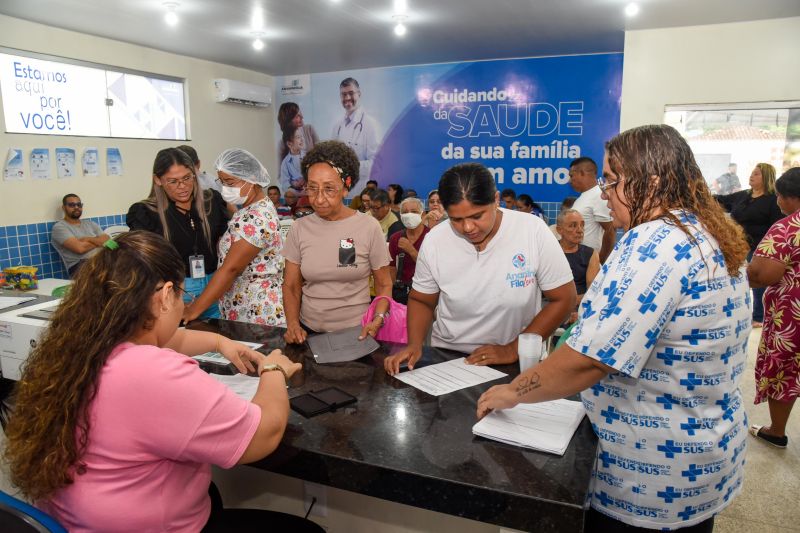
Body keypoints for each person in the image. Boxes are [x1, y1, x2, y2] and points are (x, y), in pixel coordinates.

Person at [477, 124, 751, 532]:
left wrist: (513, 391)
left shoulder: (652, 242)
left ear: (651, 182)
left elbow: (588, 360)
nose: (604, 192)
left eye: (612, 180)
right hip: (702, 455)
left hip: (647, 476)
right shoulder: (706, 232)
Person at [1, 231, 317, 532]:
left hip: (78, 519)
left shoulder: (79, 346)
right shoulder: (153, 373)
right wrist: (273, 370)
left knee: (212, 493)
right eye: (182, 295)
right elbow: (262, 436)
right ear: (165, 295)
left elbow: (163, 337)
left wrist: (218, 343)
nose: (182, 305)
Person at [384, 163, 575, 374]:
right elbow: (422, 299)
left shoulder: (532, 230)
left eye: (477, 216)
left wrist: (514, 348)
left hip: (514, 360)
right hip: (448, 357)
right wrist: (414, 344)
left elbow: (564, 299)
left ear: (496, 199)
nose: (467, 228)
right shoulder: (436, 240)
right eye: (456, 219)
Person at [282, 140, 392, 343]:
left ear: (346, 187)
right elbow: (290, 285)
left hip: (357, 332)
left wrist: (378, 317)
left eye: (329, 189)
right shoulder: (299, 228)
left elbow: (384, 283)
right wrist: (293, 324)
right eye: (312, 188)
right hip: (309, 332)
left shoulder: (368, 227)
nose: (319, 198)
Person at [183, 149, 285, 326]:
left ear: (252, 179)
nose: (225, 188)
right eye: (221, 182)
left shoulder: (256, 217)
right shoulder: (251, 209)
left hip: (256, 310)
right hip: (243, 305)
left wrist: (194, 309)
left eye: (230, 182)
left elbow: (231, 269)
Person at [127, 147, 229, 319]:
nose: (182, 187)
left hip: (215, 286)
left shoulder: (211, 202)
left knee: (220, 339)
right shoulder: (146, 212)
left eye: (187, 178)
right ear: (158, 180)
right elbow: (145, 263)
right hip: (175, 290)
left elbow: (223, 245)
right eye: (173, 181)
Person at [747, 167, 800, 448]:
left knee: (785, 370)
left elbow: (762, 275)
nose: (778, 202)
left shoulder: (788, 227)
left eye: (779, 196)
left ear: (790, 198)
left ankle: (776, 431)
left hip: (792, 317)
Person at [716, 162, 783, 327]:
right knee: (735, 278)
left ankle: (758, 317)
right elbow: (722, 200)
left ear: (766, 177)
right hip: (738, 247)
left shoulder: (772, 200)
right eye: (752, 173)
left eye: (756, 174)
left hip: (759, 248)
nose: (752, 176)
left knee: (757, 283)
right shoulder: (743, 195)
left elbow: (776, 226)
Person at [331, 78, 380, 185]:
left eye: (351, 93)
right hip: (341, 188)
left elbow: (377, 164)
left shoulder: (370, 124)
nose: (347, 98)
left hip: (361, 191)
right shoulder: (337, 126)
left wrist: (350, 165)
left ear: (359, 94)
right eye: (344, 94)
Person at [569, 156, 616, 263]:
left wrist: (600, 262)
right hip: (580, 262)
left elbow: (610, 231)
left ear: (582, 173)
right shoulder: (584, 196)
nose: (570, 180)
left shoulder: (598, 195)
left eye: (572, 176)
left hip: (590, 263)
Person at [556, 209, 600, 323]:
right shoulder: (549, 251)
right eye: (573, 226)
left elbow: (593, 292)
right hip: (550, 306)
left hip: (580, 308)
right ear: (559, 230)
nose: (580, 230)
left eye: (582, 225)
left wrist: (579, 312)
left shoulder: (590, 254)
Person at [51, 194, 110, 277]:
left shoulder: (90, 224)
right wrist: (99, 241)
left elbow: (108, 240)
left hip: (101, 260)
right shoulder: (59, 227)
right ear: (64, 208)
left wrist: (88, 239)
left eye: (79, 205)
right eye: (71, 205)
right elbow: (80, 249)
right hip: (80, 266)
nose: (76, 207)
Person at [388, 197, 430, 304]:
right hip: (402, 293)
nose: (409, 215)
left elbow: (434, 268)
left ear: (423, 214)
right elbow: (391, 269)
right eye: (405, 212)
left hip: (427, 291)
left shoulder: (432, 236)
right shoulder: (395, 238)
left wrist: (411, 250)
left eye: (414, 212)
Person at [279, 124, 306, 195]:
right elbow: (285, 184)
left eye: (302, 136)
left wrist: (306, 180)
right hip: (295, 194)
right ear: (289, 144)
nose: (302, 139)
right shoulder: (285, 162)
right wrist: (293, 184)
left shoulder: (308, 156)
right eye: (298, 137)